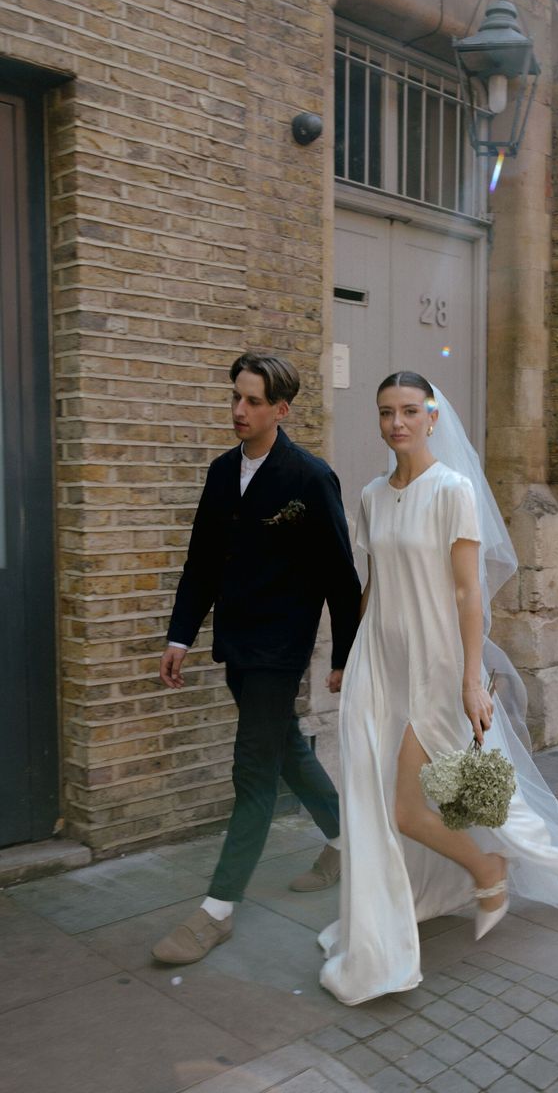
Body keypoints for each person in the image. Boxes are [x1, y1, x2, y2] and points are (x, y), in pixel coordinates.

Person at [319, 371, 558, 1006]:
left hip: (433, 663)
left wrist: (473, 677)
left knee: (406, 808)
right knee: (368, 795)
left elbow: (471, 593)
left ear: (432, 418)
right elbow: (374, 582)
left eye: (409, 411)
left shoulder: (451, 491)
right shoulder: (370, 495)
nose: (396, 423)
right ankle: (407, 905)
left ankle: (487, 869)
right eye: (386, 412)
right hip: (378, 661)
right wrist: (348, 653)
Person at [152, 352, 362, 965]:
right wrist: (179, 637)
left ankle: (217, 910)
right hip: (236, 646)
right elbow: (202, 565)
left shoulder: (309, 477)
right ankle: (346, 842)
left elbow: (341, 579)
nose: (238, 411)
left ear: (281, 409)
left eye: (252, 401)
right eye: (235, 398)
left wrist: (344, 654)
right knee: (285, 746)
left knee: (253, 767)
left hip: (280, 649)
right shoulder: (221, 473)